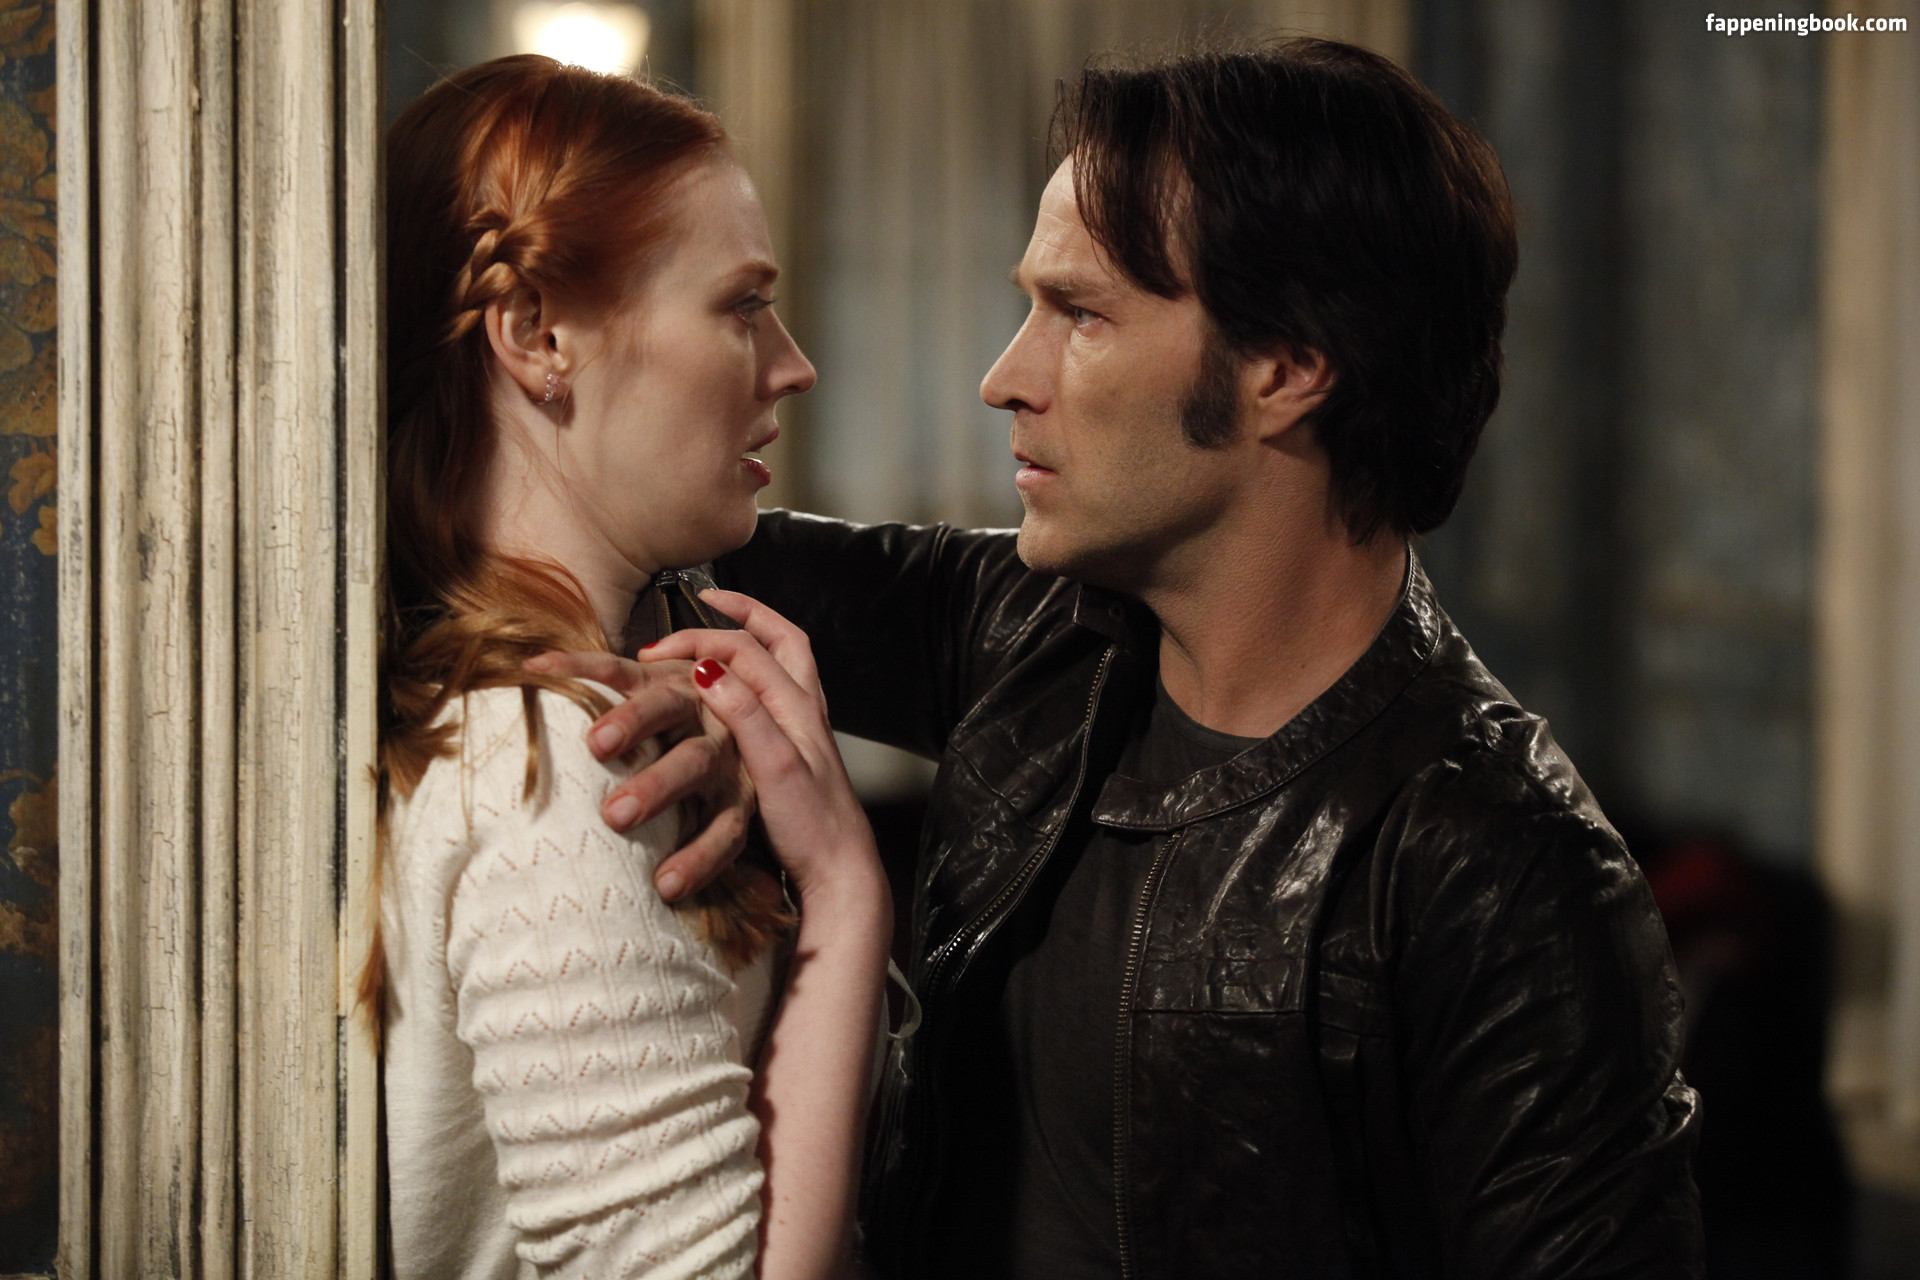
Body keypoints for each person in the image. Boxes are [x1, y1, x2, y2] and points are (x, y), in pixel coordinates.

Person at [556, 37, 1705, 1280]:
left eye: (1081, 314)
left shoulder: (1499, 866)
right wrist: (702, 691)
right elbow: (619, 528)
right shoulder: (1029, 625)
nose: (1005, 378)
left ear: (1286, 368)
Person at [369, 55, 891, 1280]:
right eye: (742, 305)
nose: (793, 363)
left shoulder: (555, 726)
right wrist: (846, 887)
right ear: (537, 333)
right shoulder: (555, 771)